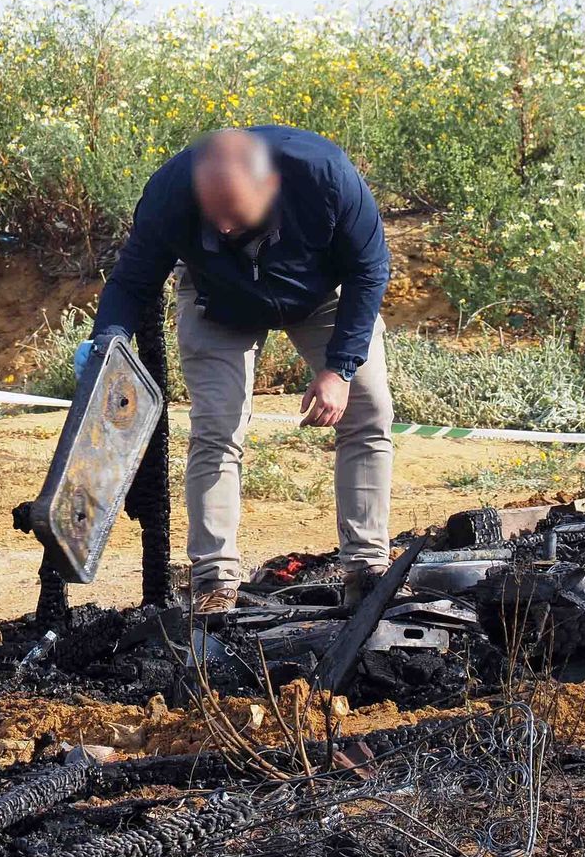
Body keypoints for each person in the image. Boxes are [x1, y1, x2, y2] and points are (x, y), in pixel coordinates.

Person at [83, 126, 393, 613]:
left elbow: (370, 268)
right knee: (217, 428)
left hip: (318, 291)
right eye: (214, 212)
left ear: (270, 187)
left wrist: (340, 369)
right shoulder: (170, 193)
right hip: (217, 298)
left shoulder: (327, 176)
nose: (223, 227)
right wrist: (106, 345)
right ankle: (214, 580)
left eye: (235, 212)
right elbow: (131, 281)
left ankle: (368, 567)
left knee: (369, 413)